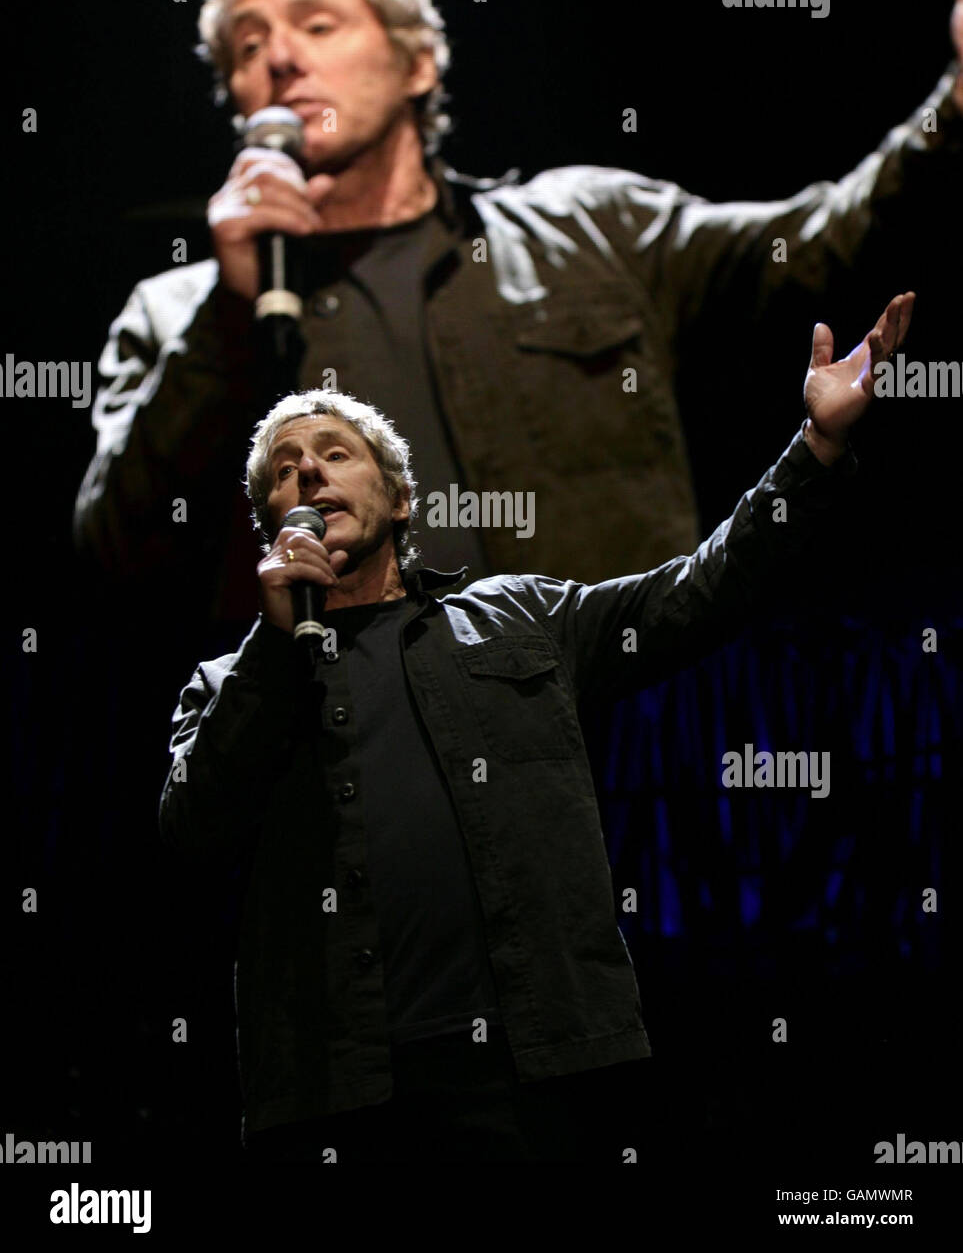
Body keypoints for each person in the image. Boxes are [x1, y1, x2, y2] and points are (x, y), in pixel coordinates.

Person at [157, 288, 913, 1162]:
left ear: (400, 500)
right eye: (285, 470)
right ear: (266, 522)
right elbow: (191, 832)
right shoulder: (230, 683)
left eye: (335, 454)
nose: (310, 474)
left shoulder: (518, 616)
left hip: (530, 1071)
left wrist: (813, 448)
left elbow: (694, 596)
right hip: (337, 1090)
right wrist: (273, 650)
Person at [74, 0, 961, 609]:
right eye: (247, 47)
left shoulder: (591, 225)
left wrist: (952, 105)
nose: (280, 59)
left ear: (418, 60)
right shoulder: (178, 310)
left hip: (604, 744)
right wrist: (229, 321)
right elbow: (118, 547)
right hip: (342, 778)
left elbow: (815, 248)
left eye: (316, 23)